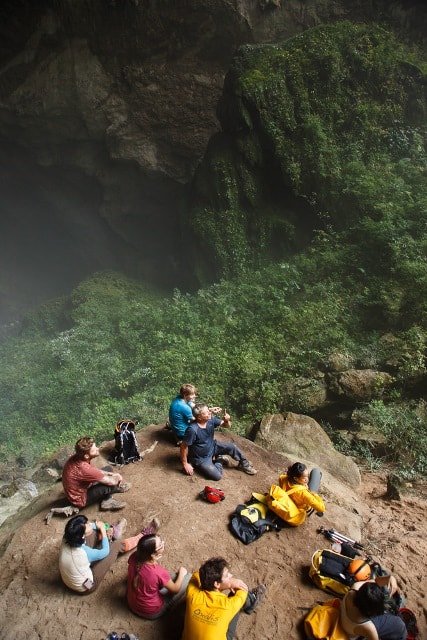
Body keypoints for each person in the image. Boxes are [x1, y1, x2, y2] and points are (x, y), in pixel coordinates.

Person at [59, 514, 159, 593]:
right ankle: (141, 537)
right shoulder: (84, 553)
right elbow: (105, 552)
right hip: (87, 585)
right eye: (87, 525)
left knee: (94, 531)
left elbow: (90, 528)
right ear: (81, 537)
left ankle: (112, 532)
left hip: (71, 577)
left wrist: (97, 526)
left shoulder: (69, 535)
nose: (90, 524)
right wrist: (102, 529)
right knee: (116, 546)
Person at [182, 556, 266, 640]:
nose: (231, 575)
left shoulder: (192, 594)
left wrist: (209, 571)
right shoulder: (228, 605)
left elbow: (197, 574)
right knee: (235, 593)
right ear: (216, 584)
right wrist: (232, 583)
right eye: (226, 576)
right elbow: (243, 589)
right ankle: (253, 599)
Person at [180, 404, 257, 481]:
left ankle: (244, 464)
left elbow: (226, 426)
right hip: (201, 458)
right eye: (207, 412)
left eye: (208, 410)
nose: (210, 412)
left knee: (232, 446)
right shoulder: (192, 430)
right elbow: (183, 446)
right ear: (199, 417)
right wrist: (185, 464)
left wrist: (226, 420)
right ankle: (219, 460)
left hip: (213, 446)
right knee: (217, 476)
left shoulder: (210, 420)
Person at [127, 534, 191, 619]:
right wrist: (182, 573)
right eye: (160, 544)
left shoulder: (135, 555)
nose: (163, 543)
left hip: (132, 603)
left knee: (168, 578)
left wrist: (154, 560)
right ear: (152, 555)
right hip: (151, 611)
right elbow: (175, 590)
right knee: (188, 576)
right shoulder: (158, 572)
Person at [62, 436, 130, 511]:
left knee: (108, 469)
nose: (98, 449)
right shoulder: (84, 469)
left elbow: (94, 471)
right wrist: (117, 477)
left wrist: (111, 474)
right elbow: (111, 481)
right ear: (86, 456)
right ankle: (107, 501)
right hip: (80, 498)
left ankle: (109, 493)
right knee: (109, 485)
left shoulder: (79, 457)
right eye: (94, 450)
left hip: (80, 486)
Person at [339, 578, 407, 640]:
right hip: (357, 632)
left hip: (349, 621)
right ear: (373, 612)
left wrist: (390, 578)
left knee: (385, 592)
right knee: (399, 625)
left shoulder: (354, 589)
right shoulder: (368, 628)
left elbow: (374, 581)